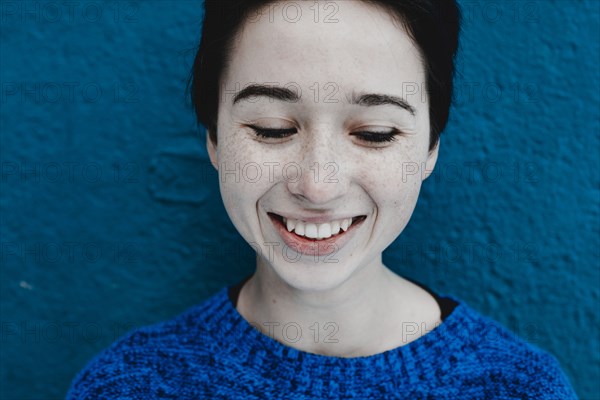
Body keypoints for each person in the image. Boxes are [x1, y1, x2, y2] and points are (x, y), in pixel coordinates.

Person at [67, 0, 578, 398]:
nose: (318, 185)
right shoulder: (127, 384)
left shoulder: (519, 388)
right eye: (271, 128)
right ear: (214, 140)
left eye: (375, 133)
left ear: (430, 148)